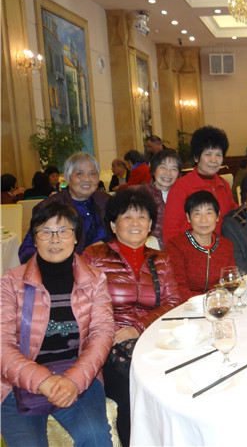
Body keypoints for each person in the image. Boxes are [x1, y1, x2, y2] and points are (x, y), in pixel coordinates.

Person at [1, 203, 114, 447]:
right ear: (34, 238)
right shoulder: (11, 281)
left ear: (76, 237)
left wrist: (74, 379)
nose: (55, 239)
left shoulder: (95, 280)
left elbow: (102, 334)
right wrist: (42, 380)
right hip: (18, 381)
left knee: (94, 438)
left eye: (63, 231)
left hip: (79, 374)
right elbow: (2, 343)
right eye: (46, 231)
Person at [82, 188, 182, 445]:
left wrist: (138, 328)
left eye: (142, 217)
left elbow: (173, 302)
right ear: (113, 225)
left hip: (152, 338)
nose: (135, 223)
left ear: (150, 225)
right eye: (127, 217)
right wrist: (111, 332)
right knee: (131, 394)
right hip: (110, 343)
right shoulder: (95, 257)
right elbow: (84, 305)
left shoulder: (160, 259)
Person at [19, 152, 111, 264]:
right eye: (79, 174)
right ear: (67, 178)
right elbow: (29, 247)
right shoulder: (50, 206)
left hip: (105, 264)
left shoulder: (106, 200)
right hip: (66, 267)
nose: (87, 179)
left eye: (92, 174)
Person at [162, 125, 237, 244]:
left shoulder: (223, 185)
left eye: (218, 154)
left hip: (220, 250)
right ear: (196, 158)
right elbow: (171, 230)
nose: (214, 160)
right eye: (208, 154)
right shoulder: (181, 187)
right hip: (190, 251)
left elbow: (233, 214)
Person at [166, 191, 235, 299]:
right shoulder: (176, 245)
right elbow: (178, 286)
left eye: (209, 213)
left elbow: (231, 280)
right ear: (188, 217)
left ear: (217, 216)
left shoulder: (226, 245)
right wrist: (200, 303)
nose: (203, 220)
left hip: (220, 301)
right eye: (197, 214)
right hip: (188, 304)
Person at [140, 148, 181, 249]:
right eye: (163, 167)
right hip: (149, 250)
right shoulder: (140, 194)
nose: (168, 173)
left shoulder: (182, 195)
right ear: (154, 170)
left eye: (173, 169)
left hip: (177, 250)